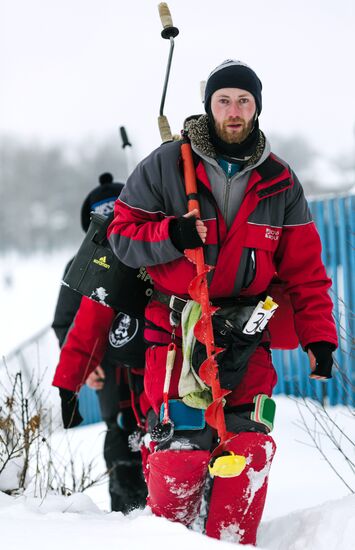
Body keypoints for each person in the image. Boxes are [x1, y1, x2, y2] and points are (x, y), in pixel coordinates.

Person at [107, 59, 338, 544]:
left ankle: (232, 540)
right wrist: (172, 233)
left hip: (247, 337)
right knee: (182, 452)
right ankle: (172, 539)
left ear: (257, 108)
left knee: (248, 447)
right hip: (176, 334)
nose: (234, 111)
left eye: (244, 101)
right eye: (224, 100)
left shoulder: (280, 181)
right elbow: (122, 236)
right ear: (209, 106)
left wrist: (319, 337)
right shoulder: (167, 164)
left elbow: (306, 271)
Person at [52, 172, 148, 513]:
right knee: (119, 431)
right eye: (102, 215)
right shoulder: (78, 267)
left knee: (149, 426)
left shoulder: (143, 252)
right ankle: (124, 510)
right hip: (104, 365)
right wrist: (86, 368)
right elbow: (65, 322)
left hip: (144, 355)